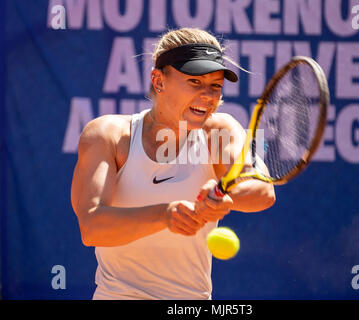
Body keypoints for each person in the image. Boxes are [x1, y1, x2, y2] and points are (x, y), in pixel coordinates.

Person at [70, 27, 275, 300]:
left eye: (215, 86)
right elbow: (92, 227)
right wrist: (164, 215)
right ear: (158, 81)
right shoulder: (108, 134)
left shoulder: (219, 131)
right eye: (195, 82)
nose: (209, 96)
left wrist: (227, 195)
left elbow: (263, 192)